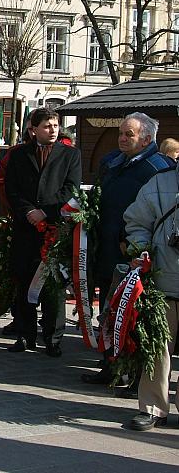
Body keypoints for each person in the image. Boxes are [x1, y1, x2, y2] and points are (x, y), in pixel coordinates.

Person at [83, 113, 173, 389]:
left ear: (146, 138)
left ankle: (135, 375)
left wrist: (130, 240)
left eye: (129, 134)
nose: (122, 138)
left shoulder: (158, 168)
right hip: (107, 249)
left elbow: (154, 215)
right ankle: (109, 364)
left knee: (135, 314)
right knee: (109, 310)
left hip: (136, 252)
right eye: (121, 133)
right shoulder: (112, 162)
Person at [5, 108, 81, 356]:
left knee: (53, 286)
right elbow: (12, 188)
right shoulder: (18, 155)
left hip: (54, 229)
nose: (52, 130)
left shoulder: (70, 155)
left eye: (55, 126)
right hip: (26, 229)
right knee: (24, 280)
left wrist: (46, 212)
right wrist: (28, 211)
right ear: (33, 129)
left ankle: (53, 338)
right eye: (47, 126)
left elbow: (71, 190)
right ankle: (25, 334)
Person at [123, 166, 179, 431]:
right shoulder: (160, 182)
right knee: (157, 349)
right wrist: (142, 250)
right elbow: (136, 222)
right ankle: (153, 408)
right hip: (162, 281)